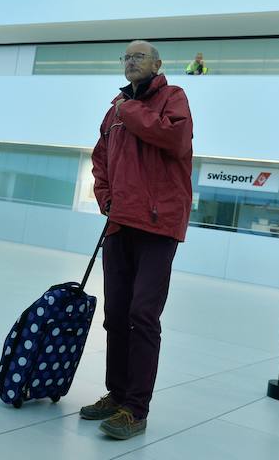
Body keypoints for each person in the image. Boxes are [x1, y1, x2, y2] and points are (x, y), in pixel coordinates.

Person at [82, 40, 193, 440]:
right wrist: (106, 197)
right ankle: (117, 393)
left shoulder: (172, 98)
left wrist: (129, 109)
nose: (130, 61)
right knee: (116, 316)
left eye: (139, 56)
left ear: (157, 64)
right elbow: (101, 158)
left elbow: (175, 141)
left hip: (159, 225)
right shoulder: (113, 111)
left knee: (143, 316)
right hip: (120, 223)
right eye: (126, 56)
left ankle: (136, 408)